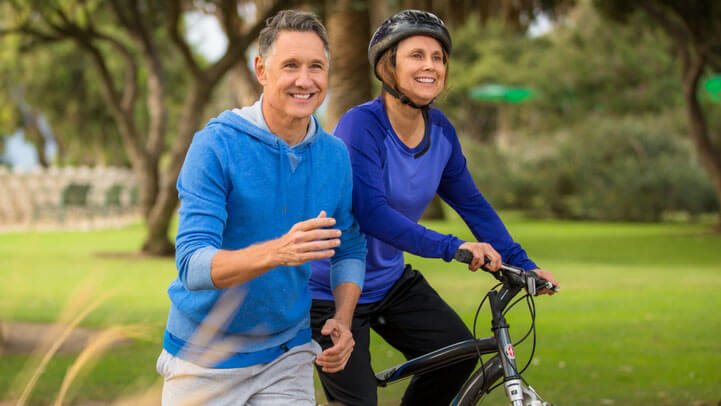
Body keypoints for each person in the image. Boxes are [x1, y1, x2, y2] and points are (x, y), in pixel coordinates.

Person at [309, 10, 559, 406]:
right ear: (388, 66)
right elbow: (371, 213)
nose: (431, 65)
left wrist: (522, 263)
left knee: (456, 355)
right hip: (328, 290)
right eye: (417, 55)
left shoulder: (441, 131)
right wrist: (453, 247)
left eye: (438, 57)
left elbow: (471, 203)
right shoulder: (361, 126)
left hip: (389, 283)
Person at [156, 10, 366, 406]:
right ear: (262, 70)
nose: (305, 80)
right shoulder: (215, 146)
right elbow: (193, 265)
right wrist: (277, 251)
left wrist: (343, 315)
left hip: (287, 355)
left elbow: (350, 245)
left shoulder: (335, 156)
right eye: (290, 66)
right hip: (203, 361)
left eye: (316, 67)